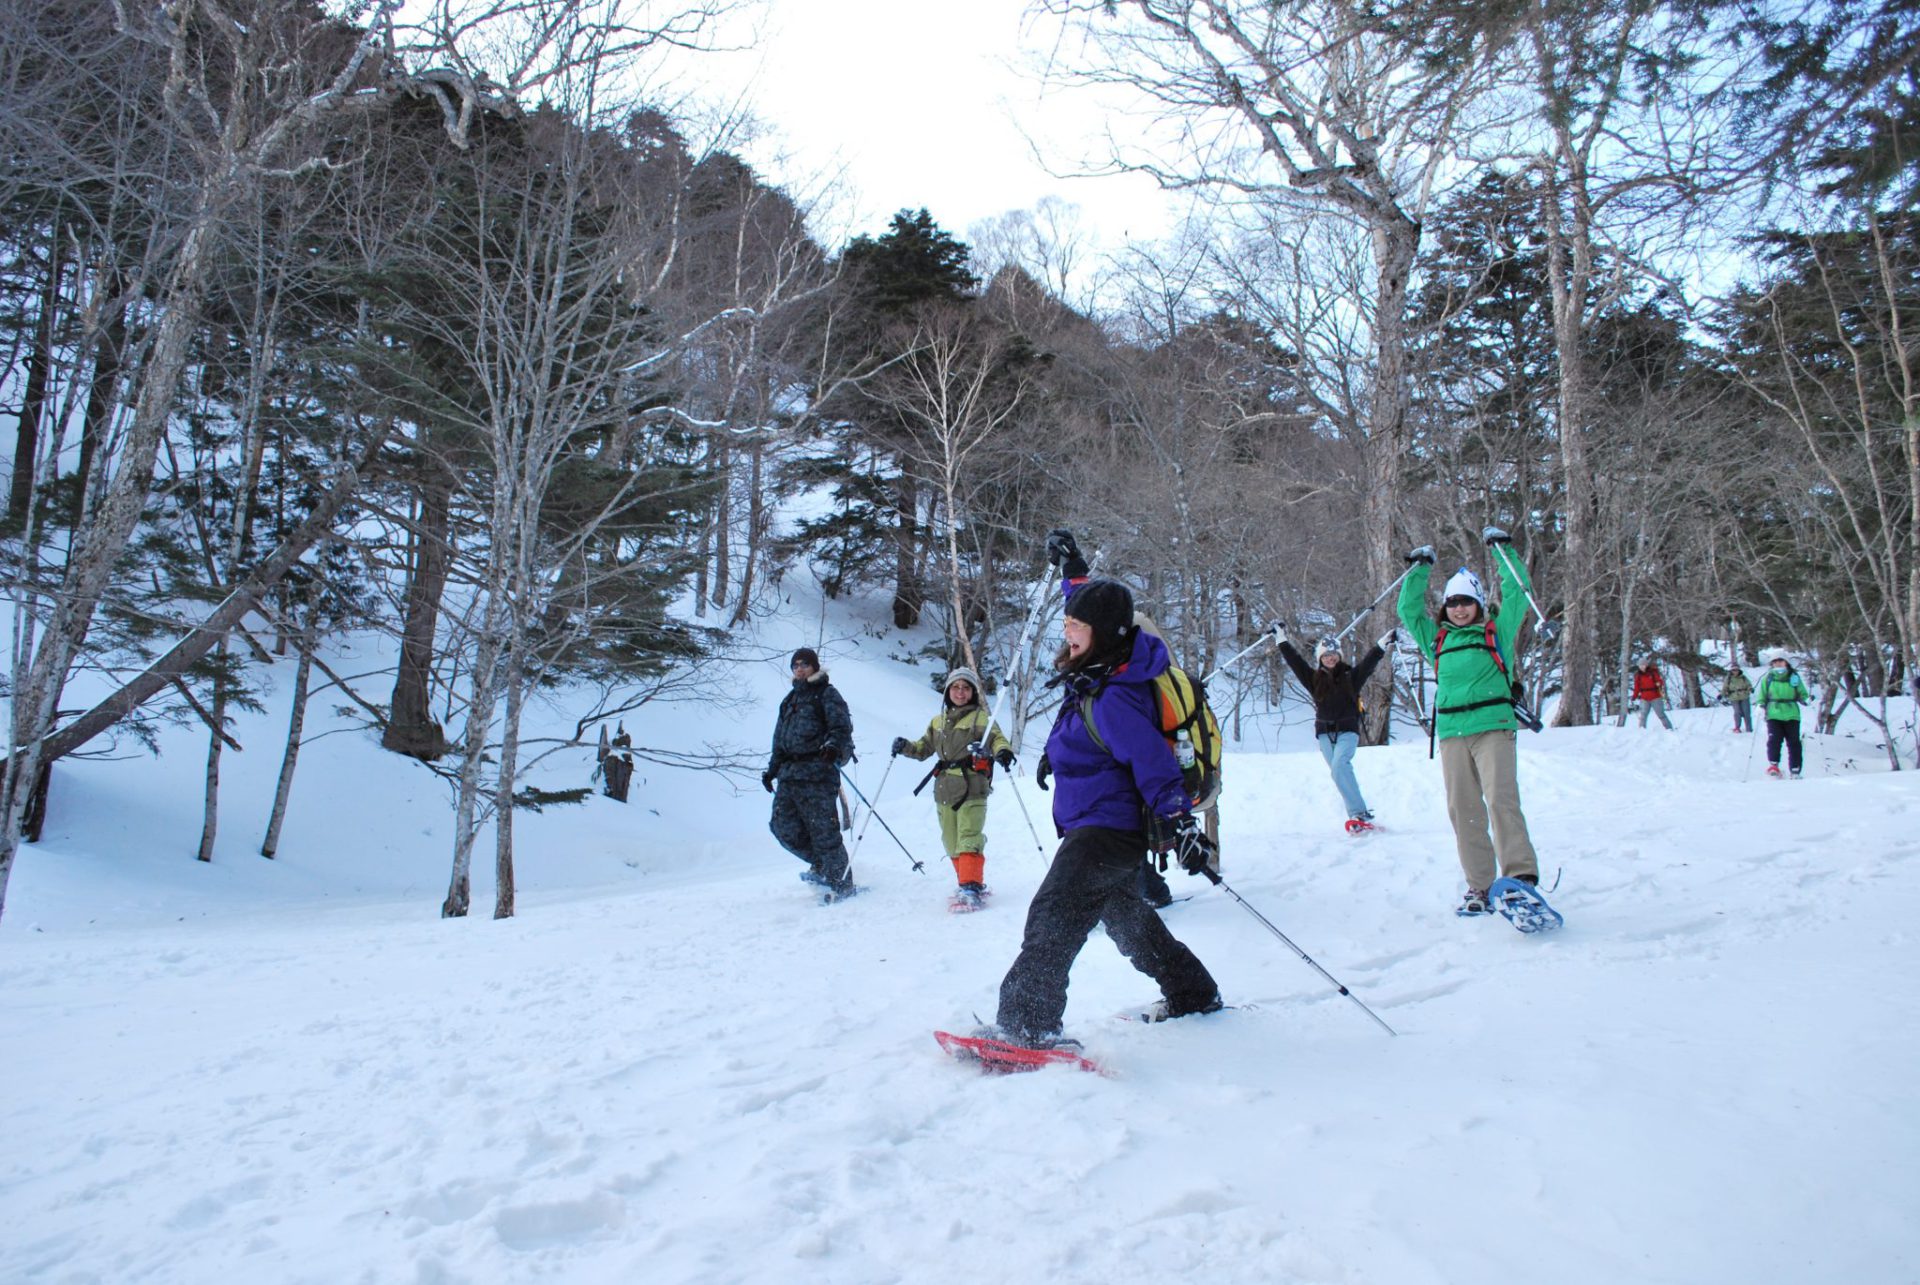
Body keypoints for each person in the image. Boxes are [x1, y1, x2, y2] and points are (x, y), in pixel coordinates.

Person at [984, 530, 1221, 1049]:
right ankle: (1193, 992)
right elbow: (1087, 606)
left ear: (1104, 634)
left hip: (1105, 831)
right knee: (1131, 924)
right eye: (1067, 623)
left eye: (1077, 627)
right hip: (1096, 824)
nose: (1067, 632)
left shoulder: (1116, 695)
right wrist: (1074, 567)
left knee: (1054, 918)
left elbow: (1153, 764)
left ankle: (1027, 1026)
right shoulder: (1098, 664)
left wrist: (1182, 823)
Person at [1397, 530, 1542, 916]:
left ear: (1478, 604)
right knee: (1463, 809)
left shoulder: (1497, 630)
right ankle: (1479, 885)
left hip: (1493, 726)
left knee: (1500, 800)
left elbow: (1518, 591)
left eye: (1467, 602)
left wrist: (1503, 549)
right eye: (1453, 603)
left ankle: (1520, 877)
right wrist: (1420, 569)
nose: (1460, 609)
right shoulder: (1437, 640)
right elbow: (1408, 611)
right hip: (1452, 733)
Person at [892, 667, 1014, 909]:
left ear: (973, 692)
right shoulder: (937, 722)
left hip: (973, 786)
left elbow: (997, 739)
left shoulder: (982, 719)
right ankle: (968, 882)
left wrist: (1002, 752)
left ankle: (970, 888)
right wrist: (905, 746)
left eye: (966, 688)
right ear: (948, 691)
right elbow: (922, 749)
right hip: (945, 789)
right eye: (956, 687)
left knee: (969, 838)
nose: (960, 692)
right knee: (950, 841)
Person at [1276, 626, 1394, 831]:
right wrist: (1281, 640)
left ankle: (1359, 813)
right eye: (1326, 655)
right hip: (1324, 734)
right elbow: (1296, 663)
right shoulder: (1313, 679)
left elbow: (1368, 664)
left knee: (1340, 766)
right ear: (1320, 658)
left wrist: (1381, 645)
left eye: (1333, 655)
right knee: (1340, 773)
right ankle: (1357, 817)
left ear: (1339, 656)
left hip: (1347, 731)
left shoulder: (1350, 676)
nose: (1330, 658)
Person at [764, 647, 858, 901]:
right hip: (790, 775)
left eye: (805, 664)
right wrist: (772, 769)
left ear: (815, 667)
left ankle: (841, 883)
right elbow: (779, 738)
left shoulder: (827, 694)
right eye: (795, 665)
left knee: (824, 832)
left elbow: (841, 728)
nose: (800, 669)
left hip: (818, 774)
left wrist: (833, 748)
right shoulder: (790, 700)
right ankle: (822, 865)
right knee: (782, 827)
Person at [1756, 648, 1811, 778]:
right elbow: (1762, 694)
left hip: (1791, 713)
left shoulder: (1794, 677)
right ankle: (1774, 765)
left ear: (1786, 662)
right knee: (1774, 740)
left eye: (1780, 661)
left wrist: (1806, 699)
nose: (1778, 664)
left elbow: (1802, 693)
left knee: (1794, 742)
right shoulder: (1768, 678)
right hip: (1773, 713)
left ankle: (1795, 769)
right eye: (1775, 662)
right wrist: (1760, 705)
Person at [1631, 657, 1674, 730]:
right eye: (1640, 665)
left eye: (1643, 665)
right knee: (1643, 715)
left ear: (1646, 665)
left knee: (1660, 714)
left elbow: (1660, 681)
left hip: (1656, 697)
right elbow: (1637, 687)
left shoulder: (1653, 672)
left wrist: (1659, 683)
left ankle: (1669, 728)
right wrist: (1634, 696)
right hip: (1644, 698)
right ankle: (1641, 730)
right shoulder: (1638, 675)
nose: (1642, 667)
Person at [1722, 664, 1754, 734]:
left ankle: (1749, 728)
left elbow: (1749, 685)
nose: (1735, 671)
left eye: (1736, 670)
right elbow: (1725, 688)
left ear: (1739, 670)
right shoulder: (1728, 679)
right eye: (1733, 670)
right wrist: (1722, 694)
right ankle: (1737, 727)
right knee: (1737, 713)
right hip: (1734, 697)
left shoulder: (1744, 678)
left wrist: (1750, 689)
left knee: (1747, 713)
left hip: (1744, 696)